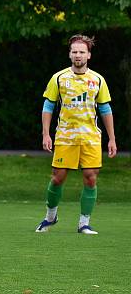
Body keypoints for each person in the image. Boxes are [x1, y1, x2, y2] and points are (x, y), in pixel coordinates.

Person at [35, 34, 117, 235]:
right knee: (58, 178)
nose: (78, 55)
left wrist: (112, 139)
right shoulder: (59, 78)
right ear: (69, 54)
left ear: (88, 55)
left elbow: (105, 109)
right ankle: (50, 218)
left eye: (82, 52)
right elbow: (48, 106)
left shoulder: (97, 80)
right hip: (65, 137)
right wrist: (46, 134)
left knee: (90, 178)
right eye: (74, 51)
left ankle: (84, 224)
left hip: (90, 137)